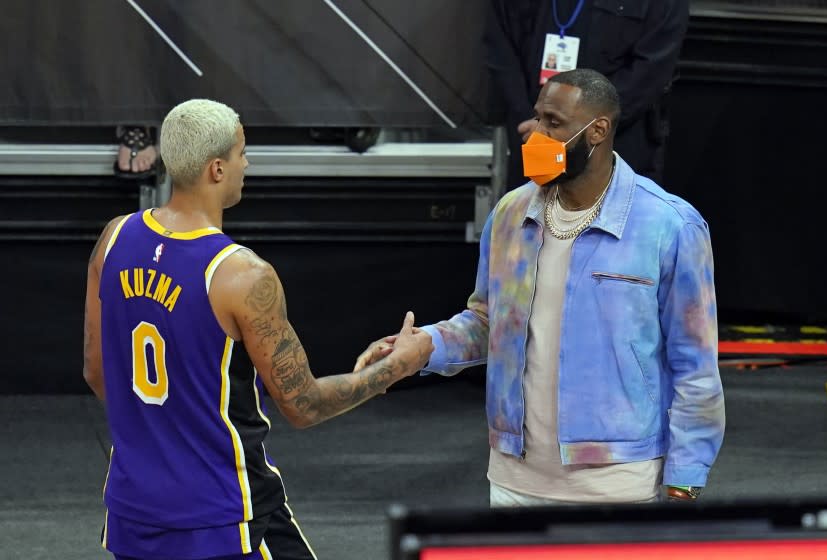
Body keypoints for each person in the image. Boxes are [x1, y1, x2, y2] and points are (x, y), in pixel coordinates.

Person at [83, 98, 433, 559]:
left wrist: (162, 432)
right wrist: (396, 369)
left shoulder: (114, 238)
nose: (246, 164)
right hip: (224, 515)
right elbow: (304, 405)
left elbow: (96, 371)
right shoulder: (241, 275)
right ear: (216, 169)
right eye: (241, 153)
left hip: (134, 511)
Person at [356, 69, 724, 506]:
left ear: (598, 130)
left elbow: (695, 366)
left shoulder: (669, 225)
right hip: (515, 479)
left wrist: (685, 479)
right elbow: (488, 322)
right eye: (537, 118)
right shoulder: (511, 214)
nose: (536, 135)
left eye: (554, 123)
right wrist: (423, 348)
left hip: (618, 481)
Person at [484, 0, 690, 189]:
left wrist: (574, 128)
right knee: (531, 224)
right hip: (534, 142)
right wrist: (537, 123)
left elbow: (650, 70)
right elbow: (501, 48)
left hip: (614, 149)